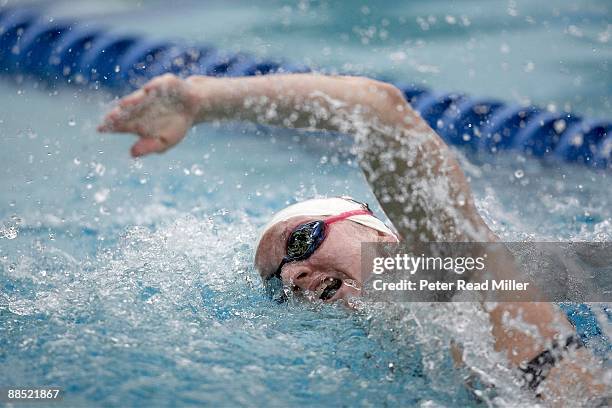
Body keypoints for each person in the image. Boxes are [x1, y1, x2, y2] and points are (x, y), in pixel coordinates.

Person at [99, 73, 605, 402]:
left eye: (301, 242)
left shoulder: (463, 280)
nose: (292, 274)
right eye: (278, 282)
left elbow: (379, 110)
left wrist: (201, 101)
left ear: (382, 236)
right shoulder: (399, 361)